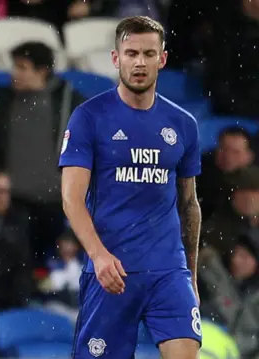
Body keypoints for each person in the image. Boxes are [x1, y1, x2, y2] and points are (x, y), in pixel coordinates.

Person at [59, 16, 202, 359]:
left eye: (149, 54)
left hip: (169, 271)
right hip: (112, 271)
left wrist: (191, 278)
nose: (140, 62)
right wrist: (98, 255)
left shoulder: (183, 124)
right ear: (115, 58)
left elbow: (189, 205)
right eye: (132, 53)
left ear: (162, 59)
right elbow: (71, 198)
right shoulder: (89, 117)